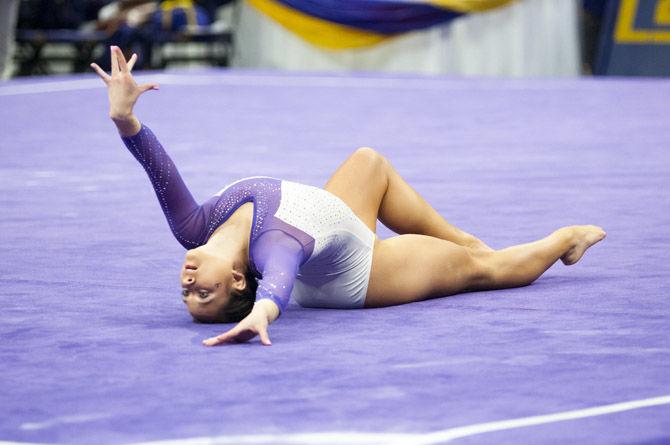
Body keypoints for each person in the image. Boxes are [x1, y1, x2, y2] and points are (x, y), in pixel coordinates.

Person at [91, 46, 606, 347]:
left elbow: (156, 166)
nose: (186, 284)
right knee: (481, 270)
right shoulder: (277, 249)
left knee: (368, 162)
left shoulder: (193, 228)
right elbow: (279, 286)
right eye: (203, 294)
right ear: (236, 278)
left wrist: (124, 117)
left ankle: (469, 240)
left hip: (333, 221)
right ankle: (564, 240)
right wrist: (262, 314)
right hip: (356, 274)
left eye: (188, 294)